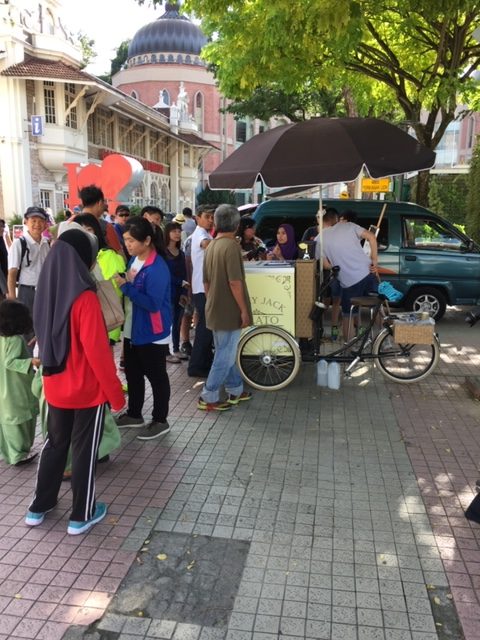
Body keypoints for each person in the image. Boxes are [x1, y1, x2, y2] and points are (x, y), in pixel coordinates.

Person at [26, 229, 125, 535]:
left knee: (55, 444)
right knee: (84, 450)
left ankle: (38, 507)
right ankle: (82, 514)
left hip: (55, 385)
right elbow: (98, 354)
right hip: (86, 391)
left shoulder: (46, 293)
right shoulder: (84, 298)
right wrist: (116, 395)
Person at [114, 216, 172, 441]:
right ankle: (134, 414)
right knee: (133, 373)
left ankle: (160, 420)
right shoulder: (134, 260)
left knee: (157, 377)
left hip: (152, 331)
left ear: (147, 240)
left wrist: (125, 287)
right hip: (133, 327)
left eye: (131, 240)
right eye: (126, 240)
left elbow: (153, 304)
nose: (127, 245)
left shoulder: (157, 268)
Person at [198, 204, 253, 411]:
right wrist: (244, 310)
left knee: (225, 350)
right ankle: (208, 394)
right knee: (225, 354)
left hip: (214, 306)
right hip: (229, 309)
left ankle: (235, 389)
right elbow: (235, 282)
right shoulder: (231, 247)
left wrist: (212, 301)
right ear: (237, 225)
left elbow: (205, 282)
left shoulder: (211, 245)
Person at [321, 209, 378, 341]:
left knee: (348, 314)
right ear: (336, 219)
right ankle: (384, 341)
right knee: (377, 307)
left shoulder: (321, 238)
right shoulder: (350, 227)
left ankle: (349, 346)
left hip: (348, 280)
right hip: (366, 272)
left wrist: (336, 266)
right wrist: (374, 261)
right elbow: (372, 237)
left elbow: (326, 265)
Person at [72, 214, 126, 345]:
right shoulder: (71, 257)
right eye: (80, 229)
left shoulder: (107, 255)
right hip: (81, 320)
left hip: (103, 319)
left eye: (89, 229)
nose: (85, 234)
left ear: (96, 231)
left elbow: (116, 290)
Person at [0, 300, 39, 466]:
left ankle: (8, 452)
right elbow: (10, 362)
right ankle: (18, 454)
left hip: (3, 386)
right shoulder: (15, 340)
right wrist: (32, 362)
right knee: (20, 420)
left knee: (6, 421)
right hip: (15, 387)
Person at [7, 206, 50, 348]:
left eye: (41, 221)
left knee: (44, 325)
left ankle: (42, 357)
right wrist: (13, 299)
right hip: (27, 291)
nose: (37, 224)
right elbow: (12, 272)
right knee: (27, 328)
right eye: (33, 220)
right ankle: (29, 358)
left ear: (45, 223)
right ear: (26, 222)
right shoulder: (19, 243)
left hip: (44, 291)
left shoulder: (46, 243)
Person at [188, 205, 215, 378]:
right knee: (204, 328)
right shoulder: (200, 234)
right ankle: (196, 366)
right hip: (201, 288)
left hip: (204, 287)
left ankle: (203, 362)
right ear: (197, 218)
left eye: (212, 217)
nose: (210, 220)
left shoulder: (205, 233)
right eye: (207, 217)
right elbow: (207, 245)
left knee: (207, 328)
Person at [164, 222, 189, 363]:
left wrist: (184, 290)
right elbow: (165, 274)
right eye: (174, 231)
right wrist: (180, 282)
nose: (177, 234)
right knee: (167, 322)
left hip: (180, 292)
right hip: (167, 292)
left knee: (177, 321)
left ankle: (176, 349)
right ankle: (165, 351)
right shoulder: (163, 253)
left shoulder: (181, 253)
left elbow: (184, 273)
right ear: (167, 233)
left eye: (179, 231)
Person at [78, 185, 122, 254]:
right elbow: (119, 254)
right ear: (100, 202)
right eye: (104, 202)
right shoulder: (106, 227)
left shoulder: (70, 223)